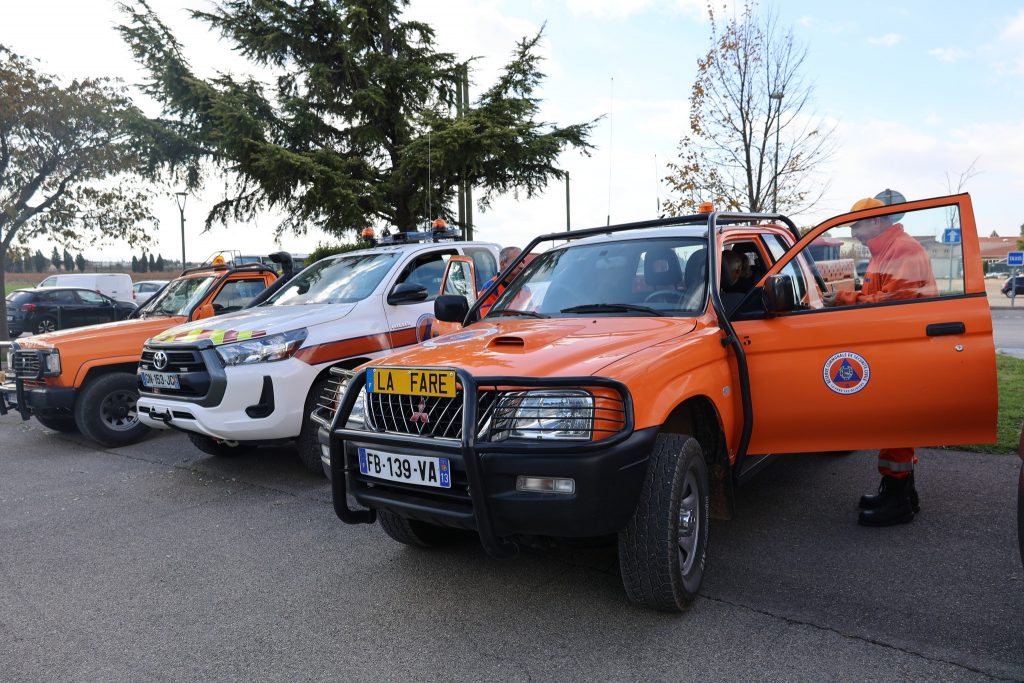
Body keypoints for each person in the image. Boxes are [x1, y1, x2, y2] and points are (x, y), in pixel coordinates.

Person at [826, 195, 936, 526]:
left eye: (857, 225)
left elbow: (890, 304)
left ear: (877, 221)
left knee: (896, 422)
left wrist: (845, 299)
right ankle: (899, 493)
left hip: (904, 347)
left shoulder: (900, 250)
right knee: (893, 422)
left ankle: (899, 502)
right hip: (897, 346)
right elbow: (882, 295)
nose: (854, 232)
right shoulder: (887, 251)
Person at [478, 246, 522, 315]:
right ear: (502, 264)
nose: (522, 266)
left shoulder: (525, 288)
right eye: (517, 261)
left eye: (523, 261)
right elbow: (487, 319)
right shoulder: (490, 289)